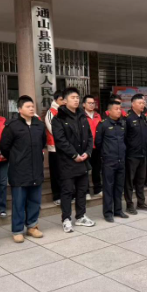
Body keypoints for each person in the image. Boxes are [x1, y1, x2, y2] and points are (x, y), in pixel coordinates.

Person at [0, 96, 47, 242]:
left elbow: (43, 143)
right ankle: (17, 230)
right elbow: (4, 147)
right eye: (28, 106)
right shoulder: (12, 126)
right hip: (19, 169)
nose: (31, 109)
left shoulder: (39, 125)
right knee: (19, 202)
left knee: (35, 200)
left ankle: (32, 226)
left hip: (36, 168)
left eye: (32, 106)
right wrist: (16, 158)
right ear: (20, 109)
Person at [52, 87, 96, 232]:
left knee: (82, 189)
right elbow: (60, 140)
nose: (76, 100)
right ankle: (66, 219)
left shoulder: (82, 116)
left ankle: (81, 216)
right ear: (64, 101)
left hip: (83, 160)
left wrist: (87, 153)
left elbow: (89, 137)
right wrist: (74, 155)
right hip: (67, 161)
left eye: (77, 97)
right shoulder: (58, 118)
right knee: (67, 191)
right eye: (73, 97)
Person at [95, 101, 129, 222]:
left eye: (120, 108)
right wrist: (106, 153)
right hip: (109, 160)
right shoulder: (103, 124)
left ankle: (118, 210)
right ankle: (108, 213)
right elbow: (98, 143)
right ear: (109, 111)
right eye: (116, 109)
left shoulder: (122, 123)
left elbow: (125, 140)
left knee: (119, 187)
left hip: (121, 160)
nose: (119, 111)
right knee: (108, 187)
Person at [124, 93, 147, 214]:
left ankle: (141, 202)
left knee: (141, 180)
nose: (142, 105)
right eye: (139, 103)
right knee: (130, 181)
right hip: (132, 155)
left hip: (143, 154)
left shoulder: (144, 118)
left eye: (143, 103)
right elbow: (125, 138)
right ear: (133, 104)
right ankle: (129, 205)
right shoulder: (128, 119)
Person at [45, 91, 65, 206]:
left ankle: (66, 194)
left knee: (64, 173)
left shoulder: (66, 111)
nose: (64, 101)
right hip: (54, 148)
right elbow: (53, 130)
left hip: (65, 148)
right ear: (56, 100)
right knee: (56, 173)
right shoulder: (51, 112)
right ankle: (57, 196)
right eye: (61, 99)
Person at [83, 95, 102, 199]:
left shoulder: (98, 116)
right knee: (85, 170)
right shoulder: (81, 116)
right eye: (89, 103)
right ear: (84, 104)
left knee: (97, 169)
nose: (91, 105)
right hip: (86, 147)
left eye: (93, 103)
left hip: (97, 146)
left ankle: (97, 189)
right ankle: (86, 191)